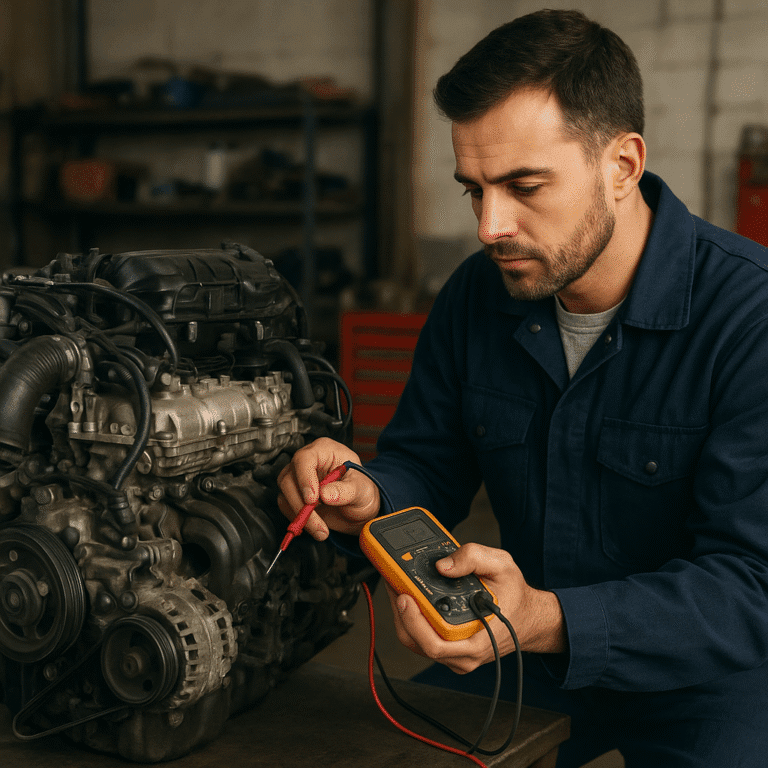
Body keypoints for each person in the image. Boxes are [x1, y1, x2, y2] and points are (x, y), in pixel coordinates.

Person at [277, 9, 768, 766]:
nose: (489, 225)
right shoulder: (479, 295)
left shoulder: (750, 318)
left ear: (623, 165)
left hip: (710, 684)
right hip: (530, 662)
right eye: (473, 189)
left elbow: (750, 587)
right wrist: (369, 493)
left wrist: (544, 616)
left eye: (523, 185)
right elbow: (429, 463)